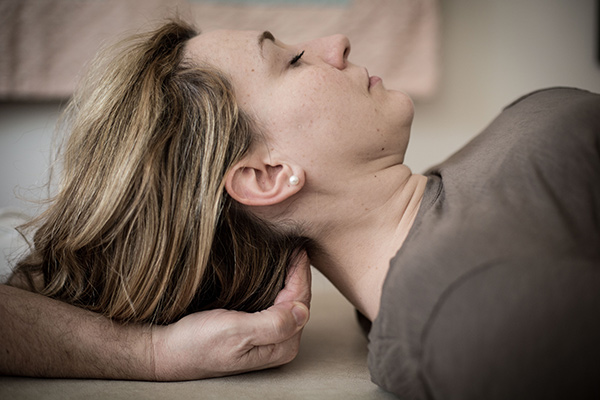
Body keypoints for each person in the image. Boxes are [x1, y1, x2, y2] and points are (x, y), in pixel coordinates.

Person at [3, 19, 600, 398]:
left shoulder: (450, 214)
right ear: (267, 176)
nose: (335, 44)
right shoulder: (467, 310)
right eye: (290, 61)